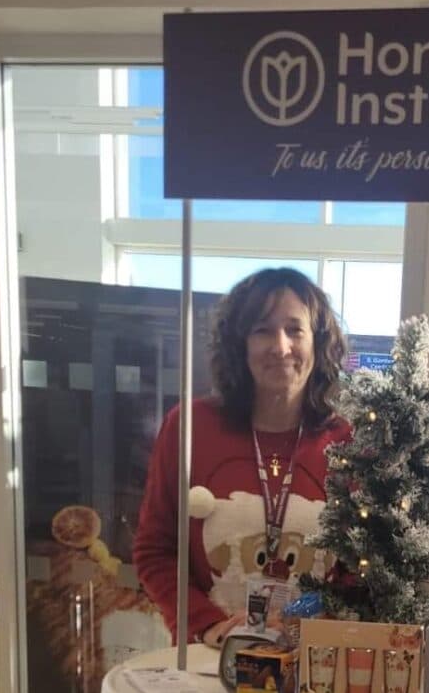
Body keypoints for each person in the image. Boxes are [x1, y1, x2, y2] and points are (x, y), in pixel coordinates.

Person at [134, 267, 351, 647]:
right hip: (209, 658)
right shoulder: (189, 427)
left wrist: (316, 627)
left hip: (312, 663)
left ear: (318, 344)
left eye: (294, 329)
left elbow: (359, 570)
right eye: (262, 329)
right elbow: (155, 551)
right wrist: (207, 624)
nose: (280, 347)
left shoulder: (348, 442)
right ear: (240, 344)